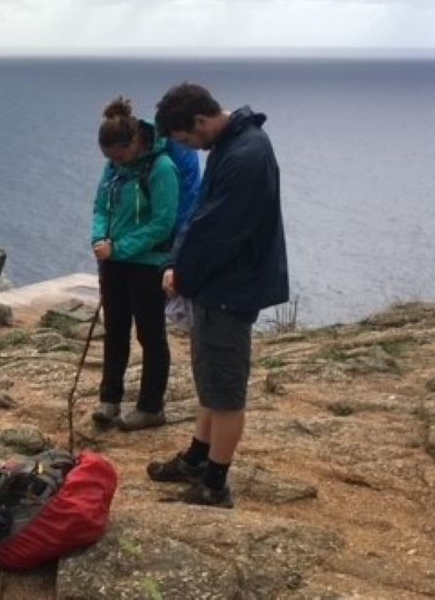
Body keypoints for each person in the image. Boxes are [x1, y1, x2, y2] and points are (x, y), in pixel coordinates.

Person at [148, 83, 289, 508]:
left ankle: (214, 484)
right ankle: (196, 458)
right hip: (218, 287)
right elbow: (200, 217)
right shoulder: (233, 145)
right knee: (210, 379)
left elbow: (219, 232)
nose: (190, 147)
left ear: (199, 121)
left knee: (225, 391)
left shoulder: (245, 155)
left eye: (186, 140)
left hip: (230, 289)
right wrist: (177, 264)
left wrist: (182, 276)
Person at [90, 97, 180, 431]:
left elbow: (163, 223)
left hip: (147, 263)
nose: (114, 162)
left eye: (118, 155)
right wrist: (99, 239)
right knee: (115, 331)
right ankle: (109, 400)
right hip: (113, 260)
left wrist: (120, 248)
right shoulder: (114, 167)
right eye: (108, 157)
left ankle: (150, 407)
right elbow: (101, 205)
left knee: (150, 334)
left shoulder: (162, 168)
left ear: (136, 143)